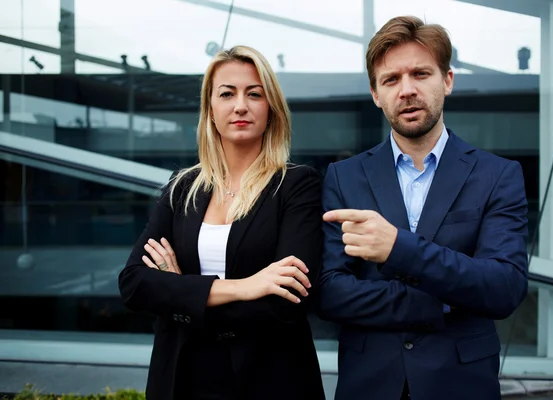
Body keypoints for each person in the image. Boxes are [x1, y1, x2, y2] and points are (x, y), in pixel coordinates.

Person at [316, 16, 529, 400]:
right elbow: (330, 292)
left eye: (420, 74)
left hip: (461, 385)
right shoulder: (343, 177)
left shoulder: (498, 175)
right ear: (375, 94)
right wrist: (442, 302)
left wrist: (397, 248)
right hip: (369, 384)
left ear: (447, 80)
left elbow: (503, 288)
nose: (407, 90)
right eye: (391, 79)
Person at [118, 45, 325, 400]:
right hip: (182, 376)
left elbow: (287, 299)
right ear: (210, 110)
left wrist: (181, 294)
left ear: (270, 108)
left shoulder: (297, 185)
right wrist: (246, 286)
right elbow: (135, 283)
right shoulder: (181, 188)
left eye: (254, 94)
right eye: (227, 93)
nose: (240, 105)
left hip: (270, 379)